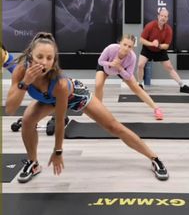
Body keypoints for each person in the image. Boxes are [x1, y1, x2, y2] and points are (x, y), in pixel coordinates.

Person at [5, 32, 169, 183]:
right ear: (30, 56)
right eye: (39, 56)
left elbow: (60, 120)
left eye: (49, 58)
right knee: (27, 120)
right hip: (47, 99)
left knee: (113, 126)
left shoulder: (60, 83)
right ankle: (33, 163)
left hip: (74, 95)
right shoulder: (20, 72)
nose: (44, 62)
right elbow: (11, 109)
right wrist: (25, 83)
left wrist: (58, 151)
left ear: (54, 60)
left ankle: (154, 158)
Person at [95, 35, 163, 120]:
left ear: (132, 48)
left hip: (121, 69)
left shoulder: (132, 57)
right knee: (98, 85)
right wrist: (111, 64)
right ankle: (98, 110)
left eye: (129, 46)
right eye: (124, 44)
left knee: (136, 88)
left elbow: (128, 75)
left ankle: (156, 108)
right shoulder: (111, 48)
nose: (126, 48)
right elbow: (100, 61)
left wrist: (120, 68)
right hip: (105, 66)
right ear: (120, 43)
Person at [137, 8, 189, 94]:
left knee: (169, 67)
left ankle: (182, 86)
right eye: (162, 16)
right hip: (148, 48)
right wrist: (152, 43)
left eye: (165, 16)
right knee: (140, 65)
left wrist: (158, 45)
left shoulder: (168, 29)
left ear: (167, 18)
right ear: (158, 16)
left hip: (160, 50)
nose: (163, 18)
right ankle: (140, 85)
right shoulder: (150, 25)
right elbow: (141, 40)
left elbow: (166, 46)